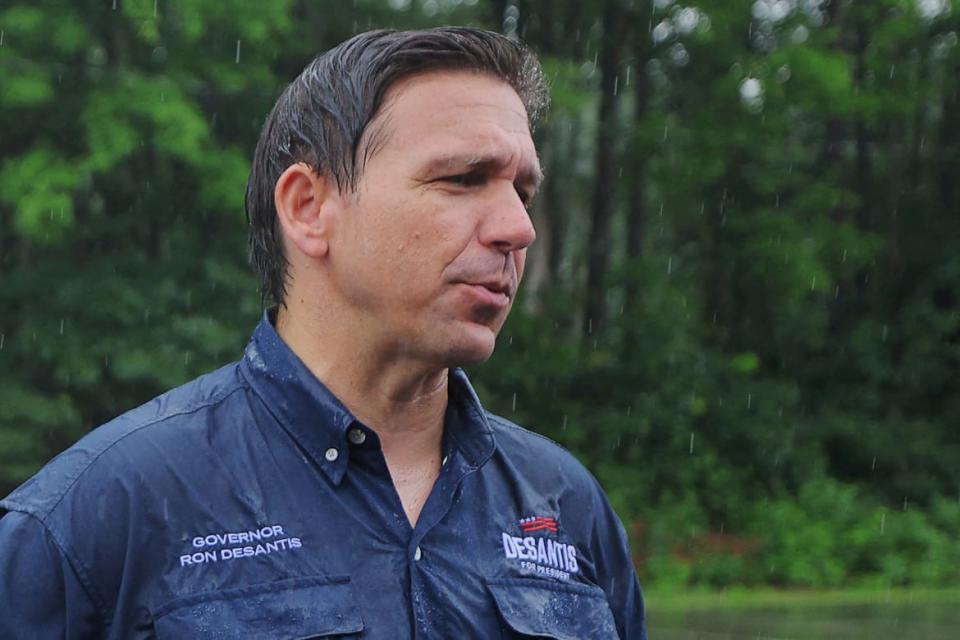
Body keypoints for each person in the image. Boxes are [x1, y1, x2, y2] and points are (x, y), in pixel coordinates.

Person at [0, 28, 646, 639]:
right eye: (463, 179)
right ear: (309, 209)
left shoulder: (566, 506)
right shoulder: (99, 514)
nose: (518, 227)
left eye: (522, 191)